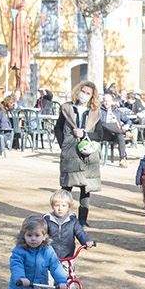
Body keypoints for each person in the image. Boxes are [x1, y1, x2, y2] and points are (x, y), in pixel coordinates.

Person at [53, 81, 104, 226]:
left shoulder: (96, 112)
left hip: (88, 153)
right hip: (70, 151)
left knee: (85, 187)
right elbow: (58, 128)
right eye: (83, 91)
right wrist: (63, 144)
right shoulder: (66, 108)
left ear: (92, 96)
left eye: (88, 93)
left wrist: (85, 134)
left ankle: (82, 220)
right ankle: (62, 216)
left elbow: (100, 134)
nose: (84, 95)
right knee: (67, 186)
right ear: (78, 91)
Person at [44, 189, 95, 260]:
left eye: (63, 205)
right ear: (52, 206)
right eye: (57, 205)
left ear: (69, 206)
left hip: (68, 256)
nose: (60, 208)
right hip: (49, 256)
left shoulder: (72, 220)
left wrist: (86, 240)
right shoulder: (47, 219)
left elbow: (80, 232)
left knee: (67, 270)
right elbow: (39, 232)